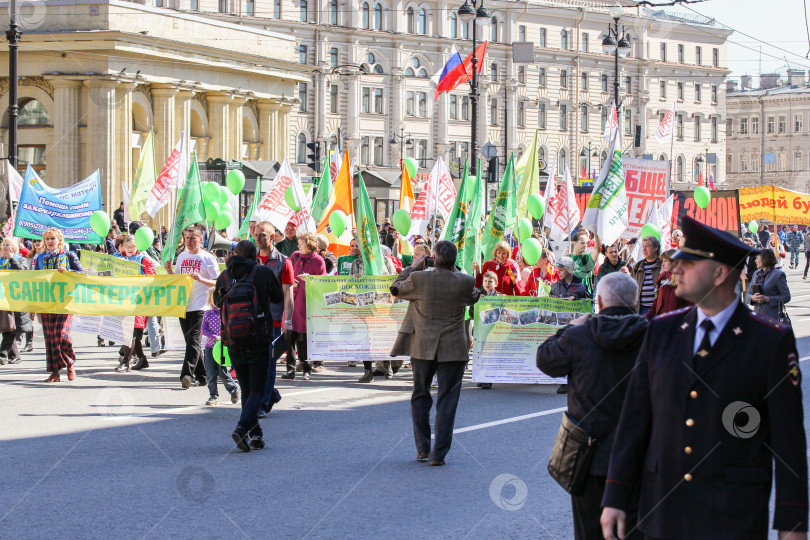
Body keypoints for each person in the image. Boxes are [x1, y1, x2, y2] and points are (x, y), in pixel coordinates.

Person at [601, 216, 808, 540]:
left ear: (720, 273)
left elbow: (788, 443)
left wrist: (793, 526)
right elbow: (634, 422)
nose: (674, 269)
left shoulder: (769, 341)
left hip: (731, 516)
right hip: (662, 513)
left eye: (688, 262)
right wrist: (615, 496)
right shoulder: (661, 331)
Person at [537, 272, 647, 540]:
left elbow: (545, 359)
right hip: (639, 455)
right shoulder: (653, 335)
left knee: (589, 531)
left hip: (588, 455)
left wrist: (569, 328)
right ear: (635, 303)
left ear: (598, 300)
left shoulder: (580, 335)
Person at [390, 240, 480, 466]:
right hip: (453, 349)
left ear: (434, 259)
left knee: (420, 395)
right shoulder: (465, 282)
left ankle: (422, 448)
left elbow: (395, 287)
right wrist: (455, 270)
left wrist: (413, 266)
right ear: (455, 260)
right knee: (447, 402)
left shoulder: (419, 279)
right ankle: (438, 454)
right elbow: (475, 296)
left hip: (423, 347)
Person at [213, 240, 283, 452]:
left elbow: (217, 303)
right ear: (255, 256)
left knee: (246, 388)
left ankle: (256, 435)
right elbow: (278, 298)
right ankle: (243, 427)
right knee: (258, 390)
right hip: (258, 337)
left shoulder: (225, 275)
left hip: (233, 338)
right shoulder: (261, 272)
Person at [164, 225, 220, 389]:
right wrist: (169, 272)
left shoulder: (207, 258)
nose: (189, 241)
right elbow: (178, 279)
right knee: (190, 342)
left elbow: (218, 282)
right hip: (184, 304)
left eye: (192, 238)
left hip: (201, 305)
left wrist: (202, 279)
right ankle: (202, 376)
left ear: (200, 239)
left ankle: (186, 374)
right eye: (187, 238)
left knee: (194, 341)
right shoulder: (181, 256)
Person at [34, 227, 84, 382]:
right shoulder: (40, 259)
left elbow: (82, 274)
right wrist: (33, 306)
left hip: (65, 301)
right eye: (47, 239)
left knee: (61, 335)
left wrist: (68, 271)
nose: (50, 242)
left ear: (59, 240)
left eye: (53, 239)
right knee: (49, 338)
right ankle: (55, 372)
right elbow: (34, 280)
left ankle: (70, 364)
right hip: (47, 302)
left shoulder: (69, 255)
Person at [254, 221, 294, 414]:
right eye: (255, 235)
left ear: (273, 236)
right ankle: (272, 394)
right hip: (253, 319)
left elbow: (288, 293)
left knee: (268, 363)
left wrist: (288, 320)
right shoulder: (251, 260)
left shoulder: (283, 262)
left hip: (275, 319)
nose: (258, 238)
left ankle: (261, 404)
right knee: (256, 362)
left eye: (262, 235)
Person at [285, 232, 326, 381]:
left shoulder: (319, 261)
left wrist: (310, 280)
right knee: (289, 338)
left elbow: (323, 284)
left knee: (303, 339)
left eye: (301, 243)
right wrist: (292, 282)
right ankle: (290, 370)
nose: (298, 246)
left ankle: (306, 368)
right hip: (291, 303)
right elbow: (288, 274)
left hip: (306, 303)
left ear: (309, 245)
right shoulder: (295, 256)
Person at [115, 234, 157, 372]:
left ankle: (125, 362)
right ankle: (142, 359)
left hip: (138, 301)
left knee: (131, 331)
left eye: (133, 246)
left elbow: (152, 278)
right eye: (128, 246)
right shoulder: (117, 258)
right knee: (131, 333)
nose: (131, 249)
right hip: (122, 300)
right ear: (123, 246)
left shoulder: (143, 260)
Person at [200, 289, 239, 406]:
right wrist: (215, 337)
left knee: (222, 372)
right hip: (210, 347)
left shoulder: (226, 313)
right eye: (213, 297)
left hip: (223, 347)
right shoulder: (208, 313)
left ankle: (233, 389)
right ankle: (213, 396)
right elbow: (203, 330)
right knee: (211, 373)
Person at [0, 239, 29, 365]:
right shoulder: (1, 260)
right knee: (8, 325)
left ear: (15, 247)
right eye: (4, 245)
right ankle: (14, 355)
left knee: (11, 327)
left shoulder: (20, 258)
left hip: (16, 297)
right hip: (3, 297)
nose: (6, 247)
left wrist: (12, 258)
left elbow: (23, 272)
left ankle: (2, 354)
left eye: (9, 245)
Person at [645, 249, 691, 319]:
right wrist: (646, 317)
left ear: (674, 262)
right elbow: (657, 302)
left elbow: (689, 305)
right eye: (662, 261)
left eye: (665, 261)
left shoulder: (685, 278)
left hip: (678, 322)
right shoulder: (662, 277)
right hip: (662, 321)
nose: (662, 264)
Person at [751, 247, 791, 320]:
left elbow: (786, 297)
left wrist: (768, 299)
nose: (755, 261)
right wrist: (753, 298)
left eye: (757, 258)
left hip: (772, 317)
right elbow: (749, 293)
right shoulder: (756, 274)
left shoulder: (778, 275)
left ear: (764, 259)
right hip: (757, 316)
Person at [630, 236, 662, 316]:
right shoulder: (637, 267)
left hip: (658, 309)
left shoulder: (663, 265)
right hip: (641, 309)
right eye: (643, 247)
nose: (644, 250)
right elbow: (632, 289)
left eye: (647, 247)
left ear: (656, 248)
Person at [570, 230, 601, 296]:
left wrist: (596, 233)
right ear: (574, 243)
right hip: (569, 298)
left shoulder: (587, 258)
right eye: (582, 243)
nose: (585, 245)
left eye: (587, 243)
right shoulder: (567, 258)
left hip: (584, 299)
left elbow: (597, 250)